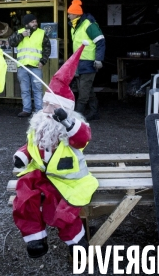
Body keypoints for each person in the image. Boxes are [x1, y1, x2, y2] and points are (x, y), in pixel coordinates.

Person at [12, 43, 97, 259]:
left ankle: (76, 244)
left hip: (68, 180)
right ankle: (35, 241)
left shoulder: (73, 126)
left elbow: (82, 139)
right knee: (24, 197)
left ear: (63, 109)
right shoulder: (40, 123)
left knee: (63, 211)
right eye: (45, 105)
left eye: (51, 107)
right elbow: (32, 144)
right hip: (41, 176)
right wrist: (23, 155)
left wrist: (68, 123)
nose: (46, 110)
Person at [67, 0, 105, 121]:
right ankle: (94, 112)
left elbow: (100, 41)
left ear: (76, 14)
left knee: (83, 92)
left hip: (89, 62)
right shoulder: (75, 26)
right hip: (80, 62)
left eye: (70, 14)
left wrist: (99, 59)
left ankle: (76, 117)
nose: (68, 16)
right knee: (86, 89)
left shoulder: (88, 25)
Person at [8, 13, 51, 117]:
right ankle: (26, 109)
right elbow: (11, 42)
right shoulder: (20, 32)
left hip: (36, 66)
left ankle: (39, 111)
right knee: (25, 89)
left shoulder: (41, 33)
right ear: (26, 24)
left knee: (37, 89)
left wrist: (43, 61)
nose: (35, 23)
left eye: (35, 21)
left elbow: (47, 49)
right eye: (32, 22)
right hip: (22, 66)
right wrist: (21, 35)